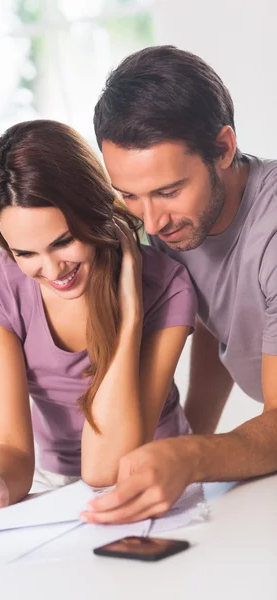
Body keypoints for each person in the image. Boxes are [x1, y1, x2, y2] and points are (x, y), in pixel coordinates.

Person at [0, 119, 197, 515]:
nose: (52, 272)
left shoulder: (167, 286)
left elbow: (106, 467)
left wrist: (130, 315)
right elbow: (11, 447)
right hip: (54, 485)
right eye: (26, 254)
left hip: (156, 472)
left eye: (64, 242)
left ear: (95, 211)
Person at [79, 44, 277, 525]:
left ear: (224, 148)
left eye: (168, 191)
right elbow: (219, 319)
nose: (151, 221)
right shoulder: (181, 225)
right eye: (129, 195)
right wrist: (191, 436)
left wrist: (190, 456)